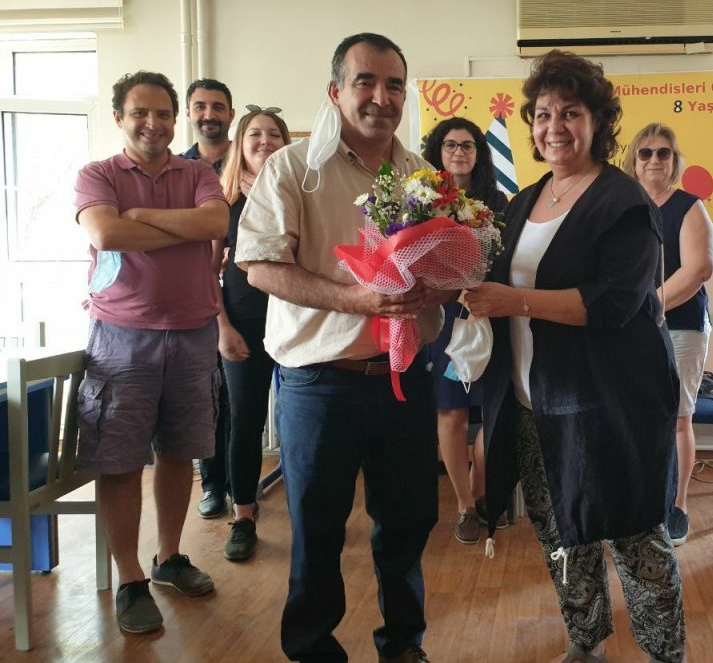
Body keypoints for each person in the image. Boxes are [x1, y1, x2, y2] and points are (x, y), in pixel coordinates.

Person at [464, 50, 685, 663]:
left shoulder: (624, 203)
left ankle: (665, 654)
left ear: (598, 122)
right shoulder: (524, 200)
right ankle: (585, 641)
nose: (553, 126)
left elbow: (612, 303)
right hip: (533, 403)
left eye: (570, 113)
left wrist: (513, 300)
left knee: (635, 538)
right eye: (542, 114)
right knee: (560, 532)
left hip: (608, 405)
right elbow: (495, 277)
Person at [235, 33, 446, 663]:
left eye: (394, 85)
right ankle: (312, 649)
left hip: (404, 376)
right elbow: (259, 265)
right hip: (319, 382)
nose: (382, 97)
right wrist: (354, 299)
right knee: (319, 528)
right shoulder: (293, 168)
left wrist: (442, 283)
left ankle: (404, 644)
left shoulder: (421, 176)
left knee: (408, 522)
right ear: (335, 91)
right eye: (365, 82)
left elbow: (439, 267)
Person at [74, 71, 229, 634]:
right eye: (141, 113)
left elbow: (217, 221)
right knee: (118, 460)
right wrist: (181, 230)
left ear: (175, 119)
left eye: (164, 114)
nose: (153, 123)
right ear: (119, 117)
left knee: (179, 452)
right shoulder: (98, 174)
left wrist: (139, 218)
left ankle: (169, 558)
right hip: (121, 337)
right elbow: (105, 235)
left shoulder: (198, 173)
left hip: (192, 334)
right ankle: (131, 579)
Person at [624, 123, 713, 546]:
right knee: (634, 418)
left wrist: (649, 306)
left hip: (680, 328)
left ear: (674, 160)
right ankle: (642, 501)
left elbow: (698, 270)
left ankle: (676, 506)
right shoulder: (622, 207)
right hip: (627, 330)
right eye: (646, 153)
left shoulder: (689, 207)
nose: (654, 160)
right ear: (633, 160)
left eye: (663, 152)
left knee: (677, 419)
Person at [421, 117, 508, 545]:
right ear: (438, 151)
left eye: (468, 145)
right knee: (451, 413)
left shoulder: (498, 202)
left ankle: (479, 488)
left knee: (495, 414)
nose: (459, 152)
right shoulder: (421, 203)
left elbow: (506, 260)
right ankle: (465, 507)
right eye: (451, 144)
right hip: (445, 322)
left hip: (491, 316)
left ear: (479, 153)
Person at [213, 107, 290, 561]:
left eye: (274, 135)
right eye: (255, 134)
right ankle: (243, 515)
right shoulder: (222, 204)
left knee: (302, 422)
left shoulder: (295, 196)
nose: (265, 141)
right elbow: (207, 273)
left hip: (298, 327)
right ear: (239, 145)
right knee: (245, 421)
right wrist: (223, 328)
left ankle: (310, 507)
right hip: (243, 326)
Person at [183, 77, 236, 519]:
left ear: (230, 114)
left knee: (242, 400)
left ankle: (242, 486)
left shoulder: (251, 161)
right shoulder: (176, 170)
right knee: (209, 398)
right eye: (200, 106)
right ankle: (214, 484)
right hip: (196, 300)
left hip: (248, 295)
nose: (209, 114)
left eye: (217, 106)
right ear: (189, 113)